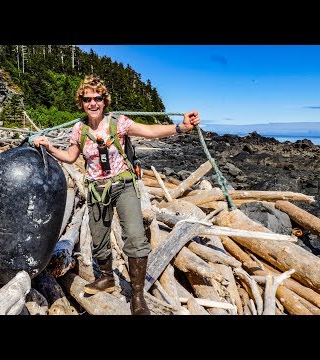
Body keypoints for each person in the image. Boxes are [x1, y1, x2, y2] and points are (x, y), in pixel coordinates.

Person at [33, 75, 200, 315]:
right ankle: (107, 278)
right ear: (81, 102)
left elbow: (150, 131)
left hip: (123, 186)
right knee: (99, 238)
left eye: (97, 98)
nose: (93, 103)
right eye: (87, 99)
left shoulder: (118, 123)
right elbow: (70, 157)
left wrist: (181, 127)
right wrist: (49, 147)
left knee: (134, 236)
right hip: (96, 190)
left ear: (104, 101)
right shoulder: (78, 129)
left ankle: (138, 295)